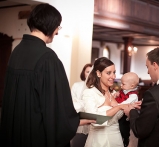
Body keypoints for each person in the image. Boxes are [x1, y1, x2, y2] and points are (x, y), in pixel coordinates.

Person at [0, 4, 95, 147]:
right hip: (36, 136)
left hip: (17, 133)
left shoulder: (16, 51)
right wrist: (75, 121)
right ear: (51, 25)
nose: (57, 32)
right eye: (58, 26)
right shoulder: (48, 58)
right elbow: (56, 105)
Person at [82, 57, 141, 147]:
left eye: (114, 72)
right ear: (98, 73)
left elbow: (125, 117)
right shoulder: (90, 93)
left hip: (117, 140)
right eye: (108, 73)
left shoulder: (115, 94)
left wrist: (133, 106)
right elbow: (94, 119)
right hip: (98, 142)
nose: (113, 76)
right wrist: (119, 107)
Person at [114, 72, 139, 147]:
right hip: (120, 113)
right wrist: (116, 95)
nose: (121, 85)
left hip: (126, 116)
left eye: (123, 84)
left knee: (124, 129)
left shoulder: (133, 95)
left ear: (132, 86)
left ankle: (125, 142)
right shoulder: (123, 91)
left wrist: (115, 105)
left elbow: (125, 103)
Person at [70, 63, 92, 147]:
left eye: (91, 72)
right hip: (79, 120)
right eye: (87, 71)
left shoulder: (96, 87)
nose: (89, 74)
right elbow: (72, 102)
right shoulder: (77, 85)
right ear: (83, 73)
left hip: (92, 122)